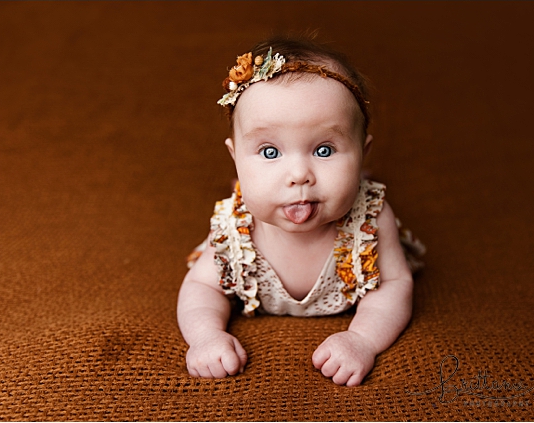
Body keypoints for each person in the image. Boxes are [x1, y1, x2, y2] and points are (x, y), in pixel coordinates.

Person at [177, 36, 425, 386]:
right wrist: (205, 337)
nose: (298, 176)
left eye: (324, 150)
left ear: (362, 152)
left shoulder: (370, 220)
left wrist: (362, 340)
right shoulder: (235, 227)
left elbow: (395, 285)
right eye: (269, 152)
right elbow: (201, 287)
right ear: (235, 159)